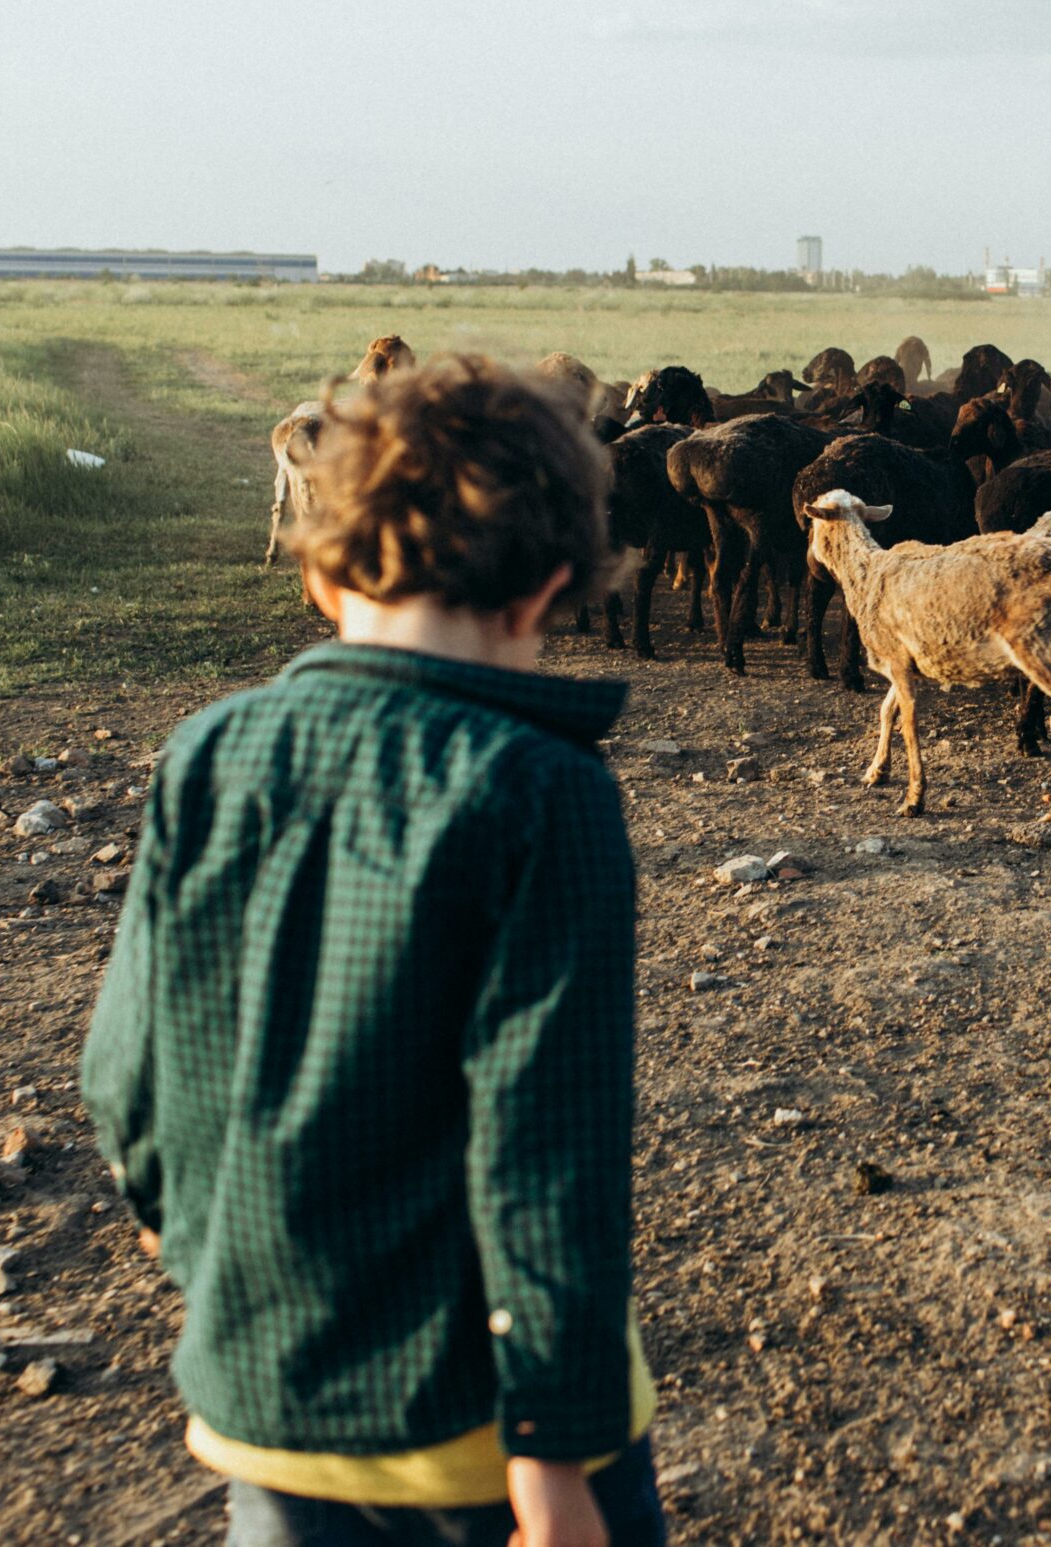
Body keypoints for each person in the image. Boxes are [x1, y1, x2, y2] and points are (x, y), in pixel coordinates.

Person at [82, 354, 665, 1547]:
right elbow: (546, 1145)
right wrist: (554, 1453)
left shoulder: (209, 750)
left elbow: (127, 1068)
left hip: (265, 1393)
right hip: (473, 1432)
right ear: (546, 590)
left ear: (322, 566)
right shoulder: (541, 790)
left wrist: (200, 1248)